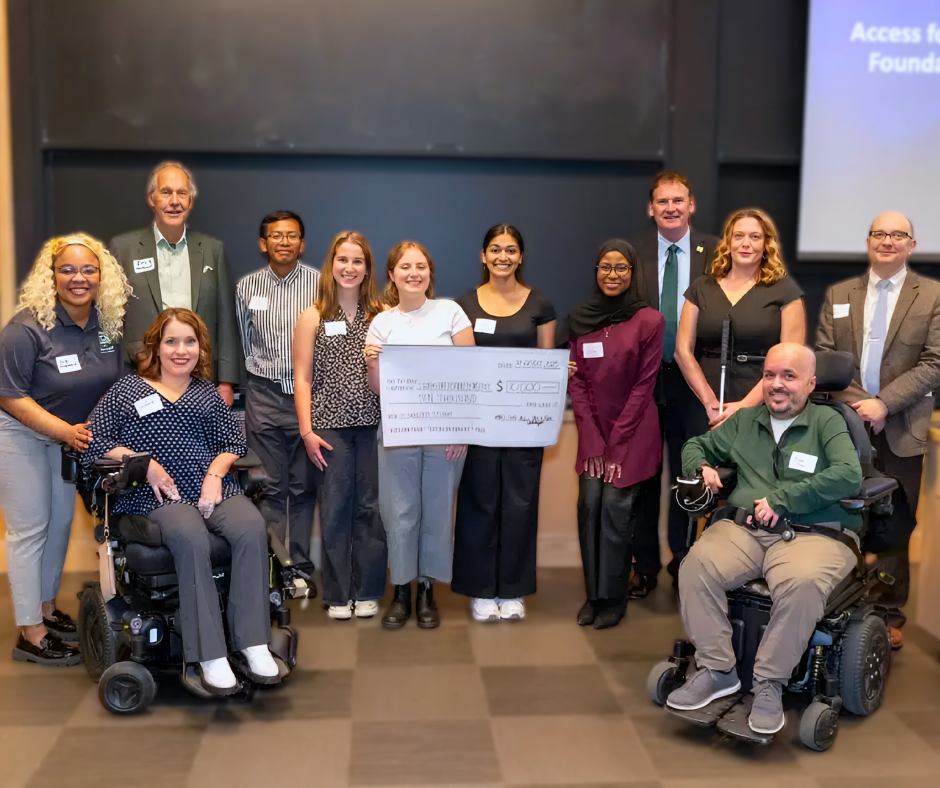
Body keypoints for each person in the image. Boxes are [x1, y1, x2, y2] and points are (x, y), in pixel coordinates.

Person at [666, 343, 862, 735]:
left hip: (812, 533)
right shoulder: (745, 420)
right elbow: (695, 445)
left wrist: (783, 498)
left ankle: (769, 683)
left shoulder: (828, 421)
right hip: (746, 530)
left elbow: (847, 475)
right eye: (770, 374)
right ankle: (718, 669)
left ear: (811, 382)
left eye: (789, 376)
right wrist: (700, 466)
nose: (777, 384)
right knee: (695, 567)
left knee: (801, 584)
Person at [83, 309, 279, 694]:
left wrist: (215, 476)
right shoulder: (127, 390)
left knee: (252, 526)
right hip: (152, 494)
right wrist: (146, 465)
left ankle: (253, 643)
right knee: (191, 536)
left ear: (200, 348)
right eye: (171, 341)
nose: (181, 350)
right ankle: (210, 655)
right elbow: (94, 441)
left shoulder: (206, 392)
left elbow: (232, 445)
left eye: (190, 341)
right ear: (155, 346)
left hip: (209, 487)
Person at [0, 234, 129, 665]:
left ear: (101, 276)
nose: (78, 278)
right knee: (29, 531)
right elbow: (10, 396)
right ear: (51, 276)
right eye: (68, 269)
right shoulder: (26, 328)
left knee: (57, 527)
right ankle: (29, 634)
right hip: (23, 435)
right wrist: (63, 431)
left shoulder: (106, 325)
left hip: (69, 439)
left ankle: (46, 610)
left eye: (88, 269)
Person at [816, 211, 940, 650]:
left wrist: (885, 403)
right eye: (879, 234)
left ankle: (887, 612)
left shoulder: (932, 296)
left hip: (902, 425)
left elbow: (934, 362)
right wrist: (860, 407)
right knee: (841, 513)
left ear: (912, 245)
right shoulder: (839, 293)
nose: (887, 241)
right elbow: (826, 357)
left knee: (895, 522)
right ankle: (840, 604)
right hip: (845, 423)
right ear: (868, 241)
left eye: (897, 235)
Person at [365, 241, 474, 629]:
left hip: (445, 432)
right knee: (401, 512)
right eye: (405, 267)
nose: (414, 273)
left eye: (421, 266)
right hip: (399, 431)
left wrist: (462, 427)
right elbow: (377, 388)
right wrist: (374, 362)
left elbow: (470, 375)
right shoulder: (382, 323)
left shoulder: (451, 313)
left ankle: (427, 590)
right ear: (392, 275)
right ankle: (401, 591)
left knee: (439, 511)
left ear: (430, 272)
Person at [453, 224, 557, 623]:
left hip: (523, 425)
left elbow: (547, 366)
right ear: (483, 256)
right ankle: (480, 591)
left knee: (520, 504)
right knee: (478, 503)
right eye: (495, 250)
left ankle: (512, 590)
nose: (502, 257)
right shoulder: (463, 306)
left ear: (521, 257)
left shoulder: (540, 305)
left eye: (511, 250)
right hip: (477, 424)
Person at [629, 171, 720, 597]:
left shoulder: (715, 253)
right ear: (651, 208)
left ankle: (685, 560)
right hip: (644, 383)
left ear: (691, 205)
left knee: (691, 474)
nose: (670, 208)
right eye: (662, 201)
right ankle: (644, 565)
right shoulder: (633, 255)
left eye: (678, 200)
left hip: (693, 382)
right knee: (645, 477)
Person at [567, 239, 664, 629]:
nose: (612, 274)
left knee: (616, 511)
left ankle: (613, 597)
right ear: (596, 272)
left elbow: (644, 386)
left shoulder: (649, 321)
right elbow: (577, 384)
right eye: (605, 267)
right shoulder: (580, 319)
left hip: (635, 433)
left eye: (621, 267)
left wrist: (616, 444)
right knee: (589, 505)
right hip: (594, 433)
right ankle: (593, 595)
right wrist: (593, 441)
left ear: (632, 272)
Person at [293, 231, 387, 620]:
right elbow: (302, 378)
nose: (350, 268)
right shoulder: (313, 315)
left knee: (369, 510)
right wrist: (306, 432)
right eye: (343, 260)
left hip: (373, 427)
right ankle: (336, 593)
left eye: (358, 261)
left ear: (368, 269)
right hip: (327, 429)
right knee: (333, 510)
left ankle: (366, 590)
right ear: (331, 264)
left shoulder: (382, 316)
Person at [109, 161, 239, 405]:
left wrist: (226, 382)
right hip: (142, 373)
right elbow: (110, 318)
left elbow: (226, 319)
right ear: (151, 198)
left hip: (200, 376)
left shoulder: (212, 250)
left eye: (182, 193)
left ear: (190, 201)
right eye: (166, 192)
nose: (174, 201)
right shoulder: (124, 249)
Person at [236, 210, 320, 562]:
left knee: (303, 488)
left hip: (309, 398)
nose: (284, 242)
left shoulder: (320, 285)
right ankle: (273, 565)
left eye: (291, 236)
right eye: (276, 235)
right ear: (263, 243)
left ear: (302, 244)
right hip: (264, 396)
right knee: (269, 486)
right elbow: (245, 341)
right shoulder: (247, 287)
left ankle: (298, 566)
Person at [676, 208, 805, 434]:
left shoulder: (785, 291)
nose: (746, 243)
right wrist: (710, 403)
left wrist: (744, 407)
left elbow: (791, 359)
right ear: (728, 242)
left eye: (755, 237)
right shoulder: (701, 287)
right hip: (704, 404)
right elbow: (682, 351)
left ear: (766, 245)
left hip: (762, 403)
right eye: (739, 236)